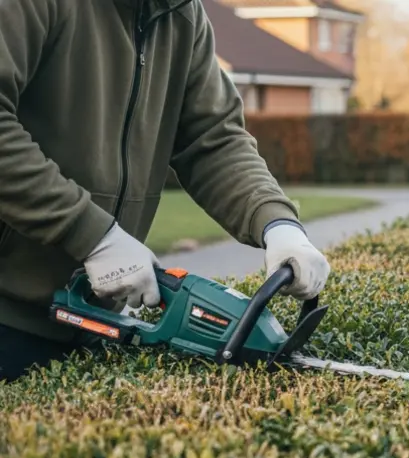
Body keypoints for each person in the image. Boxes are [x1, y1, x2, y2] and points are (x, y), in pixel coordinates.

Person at [0, 0, 331, 382]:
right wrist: (90, 235)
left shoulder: (181, 14)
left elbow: (214, 140)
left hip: (90, 320)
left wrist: (277, 224)